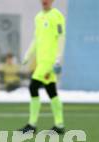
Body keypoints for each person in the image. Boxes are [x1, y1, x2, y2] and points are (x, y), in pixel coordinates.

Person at [20, 0, 66, 134]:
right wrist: (28, 55)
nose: (45, 1)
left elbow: (61, 38)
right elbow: (36, 39)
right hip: (41, 62)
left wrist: (58, 59)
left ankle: (32, 125)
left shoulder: (57, 16)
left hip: (50, 62)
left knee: (33, 86)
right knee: (51, 91)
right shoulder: (38, 17)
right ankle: (60, 124)